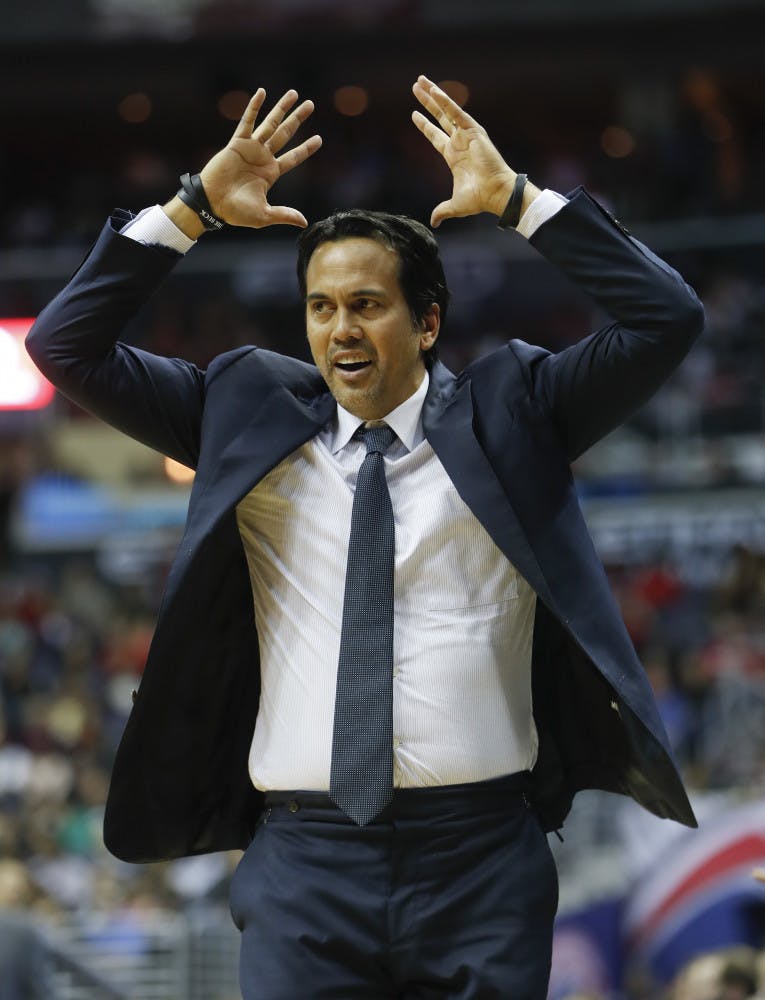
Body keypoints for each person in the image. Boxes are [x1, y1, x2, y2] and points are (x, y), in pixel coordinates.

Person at [27, 76, 704, 999]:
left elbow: (667, 317)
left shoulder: (515, 410)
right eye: (320, 307)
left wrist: (517, 200)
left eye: (366, 304)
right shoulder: (243, 410)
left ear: (427, 322)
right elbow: (64, 345)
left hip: (481, 861)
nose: (339, 329)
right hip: (304, 860)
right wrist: (190, 211)